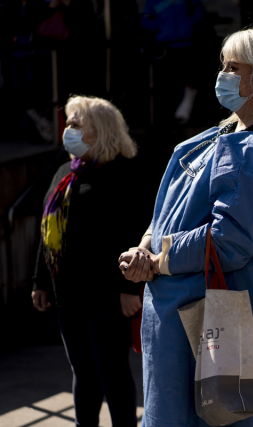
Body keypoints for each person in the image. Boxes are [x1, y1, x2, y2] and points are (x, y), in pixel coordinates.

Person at [118, 25, 253, 427]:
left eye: (234, 67)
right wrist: (144, 245)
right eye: (223, 65)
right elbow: (166, 211)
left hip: (220, 322)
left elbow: (227, 244)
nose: (223, 75)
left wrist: (157, 260)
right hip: (176, 319)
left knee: (220, 419)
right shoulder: (213, 137)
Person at [32, 95, 141, 427]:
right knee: (82, 371)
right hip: (68, 294)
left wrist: (129, 288)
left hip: (108, 295)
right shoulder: (65, 171)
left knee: (111, 371)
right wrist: (40, 281)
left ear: (101, 130)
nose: (68, 130)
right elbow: (50, 231)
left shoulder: (122, 173)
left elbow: (134, 233)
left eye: (76, 124)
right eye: (69, 123)